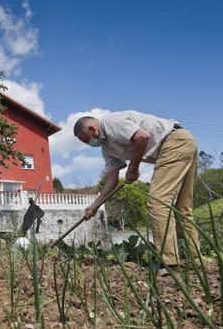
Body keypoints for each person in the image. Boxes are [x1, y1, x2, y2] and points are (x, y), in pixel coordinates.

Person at [73, 110, 199, 266]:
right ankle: (194, 259)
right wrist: (94, 206)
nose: (89, 144)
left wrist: (133, 168)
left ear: (92, 129)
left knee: (158, 202)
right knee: (182, 207)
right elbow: (112, 180)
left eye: (86, 140)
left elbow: (142, 137)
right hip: (184, 142)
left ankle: (170, 261)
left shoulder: (110, 122)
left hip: (173, 141)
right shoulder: (107, 149)